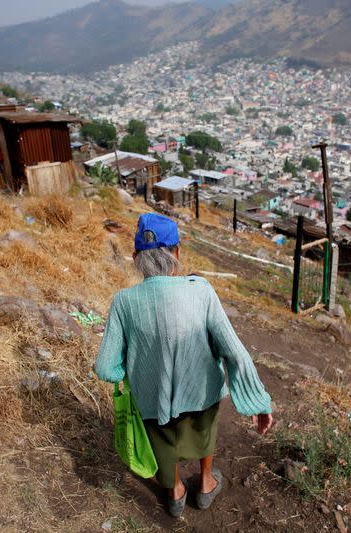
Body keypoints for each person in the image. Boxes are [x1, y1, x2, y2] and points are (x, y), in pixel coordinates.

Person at [95, 212, 273, 518]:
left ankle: (175, 492)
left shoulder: (123, 302)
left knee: (162, 443)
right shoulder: (201, 290)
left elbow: (105, 368)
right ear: (177, 253)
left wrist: (135, 369)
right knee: (204, 432)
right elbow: (233, 348)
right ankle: (205, 485)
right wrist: (258, 400)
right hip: (201, 393)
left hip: (153, 402)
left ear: (136, 257)